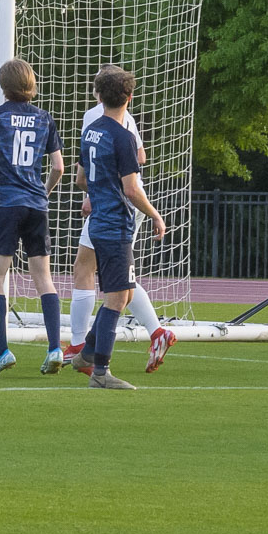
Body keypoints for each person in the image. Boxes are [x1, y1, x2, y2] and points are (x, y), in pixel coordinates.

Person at [0, 59, 65, 378]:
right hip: (36, 203)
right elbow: (59, 167)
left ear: (2, 85)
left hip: (8, 202)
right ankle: (55, 348)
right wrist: (42, 192)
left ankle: (1, 351)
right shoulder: (45, 118)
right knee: (44, 278)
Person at [67, 67, 175, 373]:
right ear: (129, 95)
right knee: (118, 288)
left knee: (110, 283)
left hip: (112, 209)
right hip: (119, 210)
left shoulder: (93, 123)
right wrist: (155, 213)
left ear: (98, 94)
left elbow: (82, 176)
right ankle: (97, 355)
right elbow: (139, 158)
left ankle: (83, 349)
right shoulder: (123, 129)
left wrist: (98, 186)